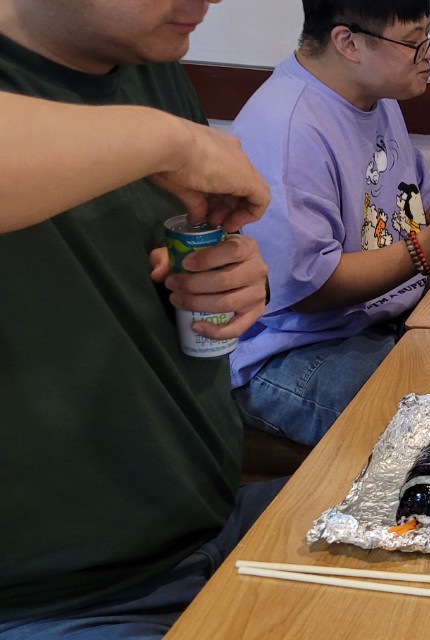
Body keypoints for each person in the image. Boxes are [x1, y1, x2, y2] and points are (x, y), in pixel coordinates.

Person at [0, 1, 281, 637]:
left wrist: (236, 277)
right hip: (62, 598)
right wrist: (174, 139)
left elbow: (170, 255)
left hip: (210, 523)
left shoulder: (148, 58)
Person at [228, 0, 430, 446]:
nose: (428, 54)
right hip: (295, 349)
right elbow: (310, 289)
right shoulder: (288, 130)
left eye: (428, 36)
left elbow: (416, 204)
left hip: (379, 318)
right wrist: (426, 250)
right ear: (348, 43)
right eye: (414, 42)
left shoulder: (375, 97)